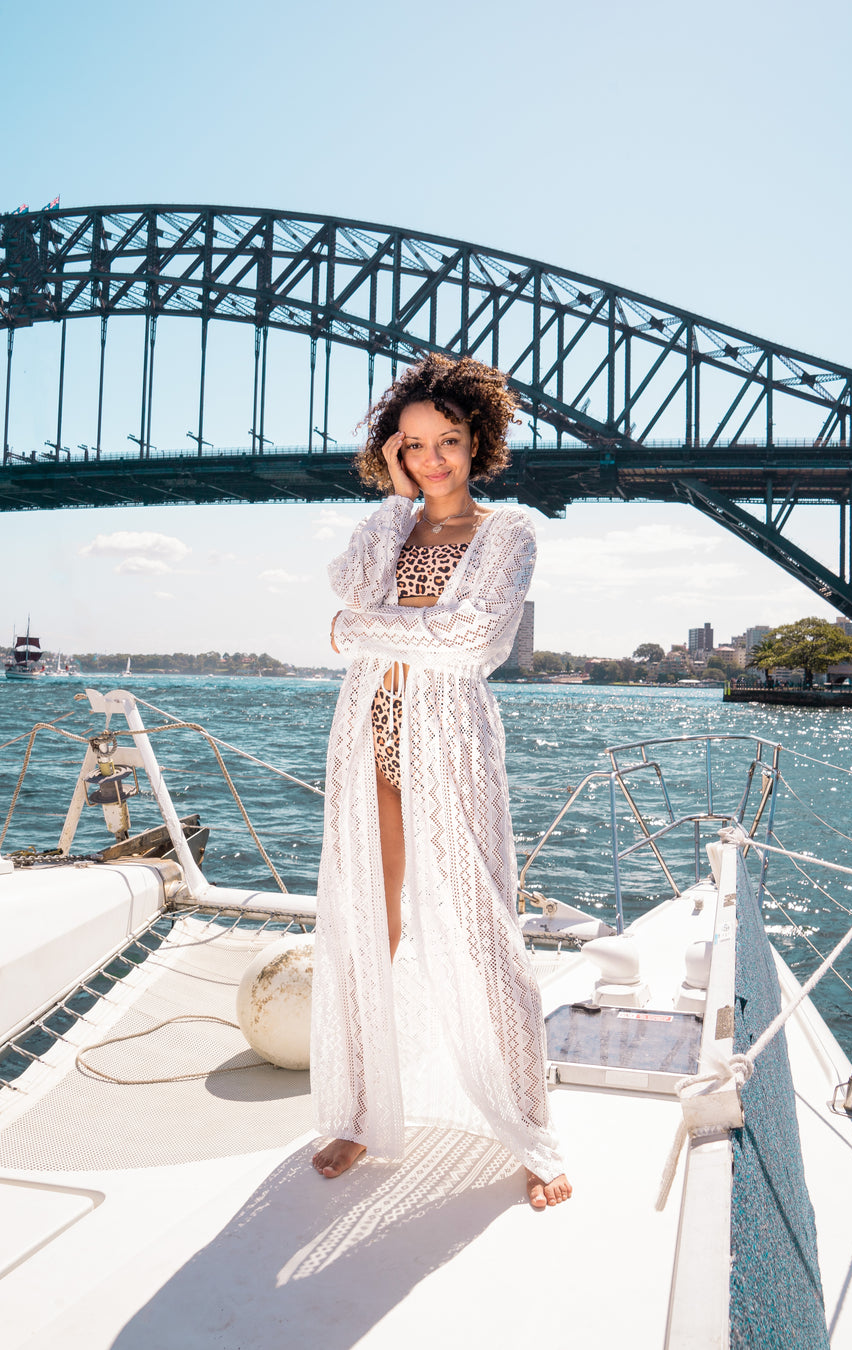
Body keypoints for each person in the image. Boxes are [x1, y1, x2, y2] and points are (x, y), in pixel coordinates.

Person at [311, 353, 571, 1211]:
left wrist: (365, 627)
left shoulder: (509, 534)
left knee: (481, 930)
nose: (430, 459)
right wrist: (391, 508)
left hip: (448, 740)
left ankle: (531, 1131)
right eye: (411, 445)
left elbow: (471, 644)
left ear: (477, 442)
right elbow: (344, 593)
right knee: (365, 925)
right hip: (367, 735)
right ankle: (355, 1112)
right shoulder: (391, 530)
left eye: (446, 441)